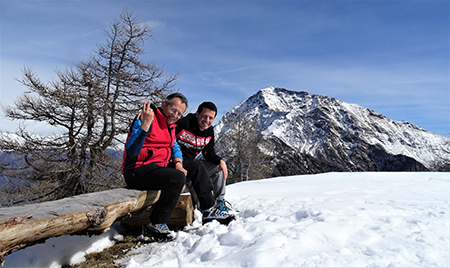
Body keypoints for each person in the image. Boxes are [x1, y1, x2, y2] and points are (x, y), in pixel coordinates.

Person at [175, 101, 235, 218]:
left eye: (211, 118)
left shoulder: (209, 131)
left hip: (191, 164)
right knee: (198, 168)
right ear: (197, 114)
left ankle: (219, 203)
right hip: (176, 162)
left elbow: (208, 153)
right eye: (204, 116)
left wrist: (220, 160)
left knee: (218, 168)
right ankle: (205, 208)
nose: (207, 120)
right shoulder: (183, 123)